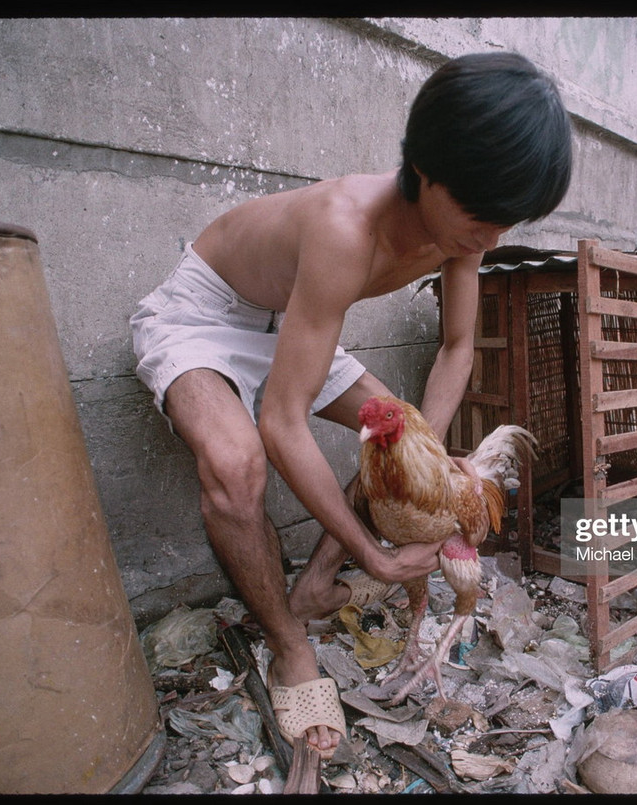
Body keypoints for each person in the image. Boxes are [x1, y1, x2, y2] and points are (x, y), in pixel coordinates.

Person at [130, 51, 572, 757]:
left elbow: (460, 345)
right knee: (238, 464)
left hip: (291, 317)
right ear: (424, 168)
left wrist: (429, 458)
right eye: (481, 216)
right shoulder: (344, 227)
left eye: (506, 222)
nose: (490, 240)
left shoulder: (463, 233)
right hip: (203, 316)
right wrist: (374, 551)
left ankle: (310, 585)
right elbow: (282, 420)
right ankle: (288, 642)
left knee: (396, 434)